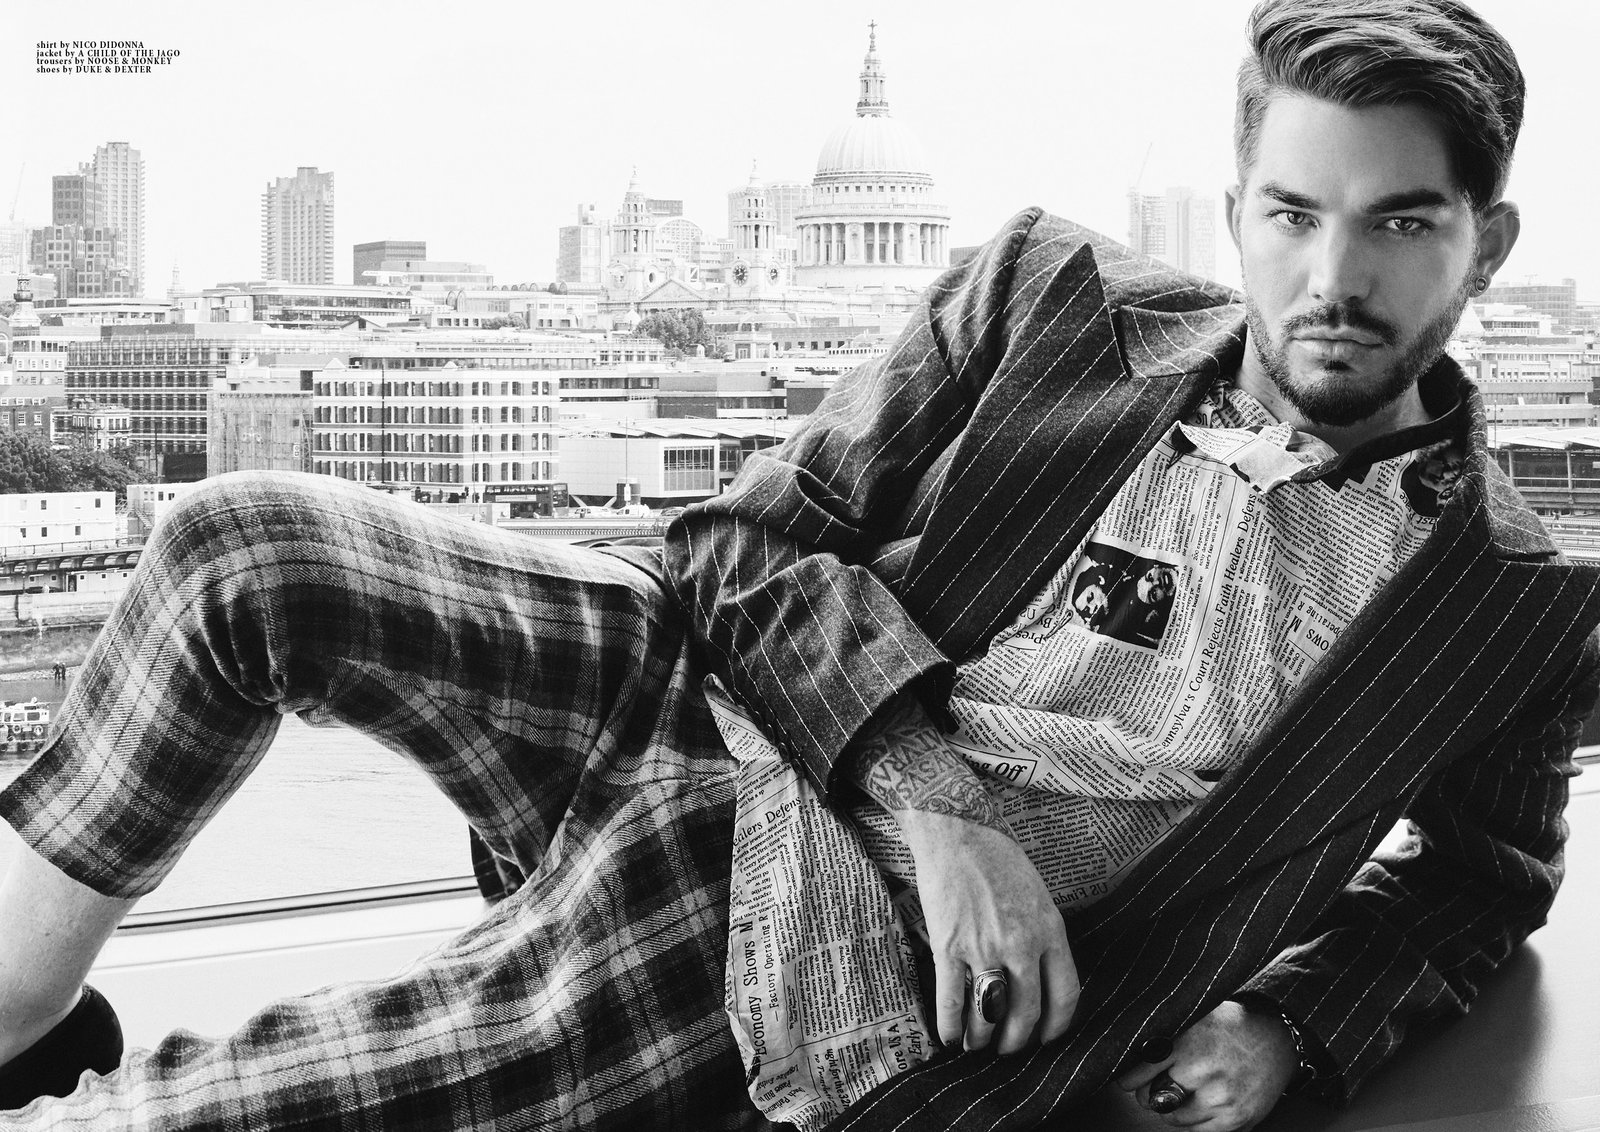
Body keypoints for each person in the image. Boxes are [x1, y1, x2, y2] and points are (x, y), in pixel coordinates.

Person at [0, 2, 1595, 1130]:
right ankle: (19, 1012)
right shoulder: (1048, 293)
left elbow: (1485, 880)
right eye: (1293, 215)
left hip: (808, 923)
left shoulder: (1514, 606)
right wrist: (941, 803)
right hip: (705, 692)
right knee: (237, 549)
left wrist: (1291, 1027)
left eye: (1400, 225)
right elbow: (742, 538)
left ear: (1489, 244)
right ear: (1237, 210)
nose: (1331, 278)